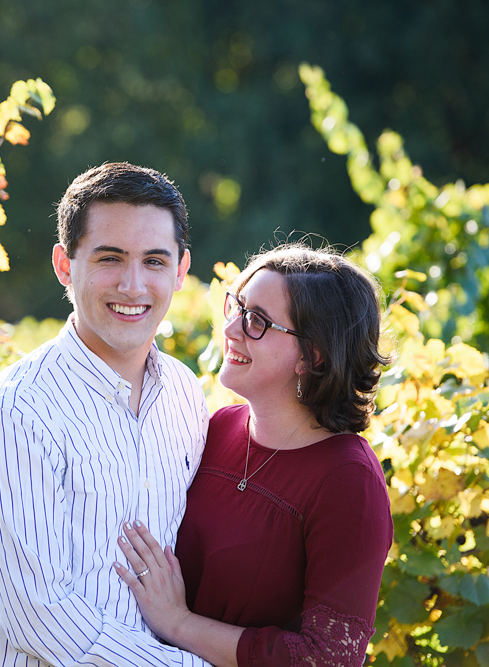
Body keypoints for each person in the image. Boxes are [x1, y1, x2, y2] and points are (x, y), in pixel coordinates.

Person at [0, 163, 213, 667]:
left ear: (181, 271)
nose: (134, 285)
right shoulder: (14, 414)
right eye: (110, 258)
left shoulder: (184, 393)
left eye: (154, 261)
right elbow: (41, 619)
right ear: (65, 265)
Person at [114, 244, 394, 667]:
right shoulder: (217, 427)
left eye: (257, 321)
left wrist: (179, 622)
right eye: (237, 307)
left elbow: (328, 660)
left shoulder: (348, 480)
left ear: (313, 355)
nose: (231, 329)